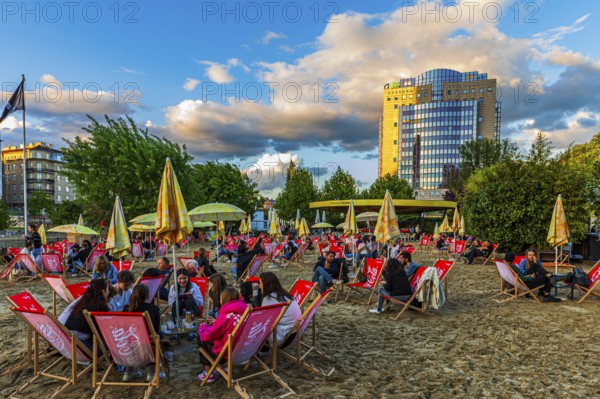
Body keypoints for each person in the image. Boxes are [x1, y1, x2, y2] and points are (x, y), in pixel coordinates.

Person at [196, 286, 247, 383]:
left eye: (220, 298)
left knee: (201, 337)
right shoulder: (244, 311)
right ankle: (226, 368)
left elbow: (209, 335)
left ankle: (208, 374)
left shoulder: (226, 314)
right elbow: (229, 326)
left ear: (224, 298)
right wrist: (216, 322)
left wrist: (202, 327)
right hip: (241, 350)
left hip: (226, 353)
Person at [59, 278, 109, 349]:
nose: (108, 292)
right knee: (111, 342)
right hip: (81, 346)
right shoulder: (101, 306)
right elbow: (101, 332)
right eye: (107, 290)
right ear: (103, 291)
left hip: (66, 340)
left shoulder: (82, 301)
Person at [259, 272, 302, 347]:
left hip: (282, 338)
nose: (259, 286)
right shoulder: (285, 295)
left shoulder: (269, 299)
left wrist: (256, 294)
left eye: (260, 283)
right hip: (294, 334)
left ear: (265, 284)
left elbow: (263, 321)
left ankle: (258, 352)